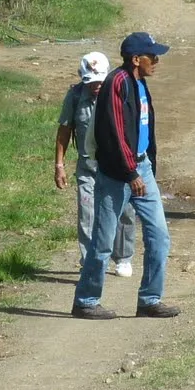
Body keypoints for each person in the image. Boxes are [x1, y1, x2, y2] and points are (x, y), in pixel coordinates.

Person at [72, 32, 181, 320]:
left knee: (159, 235)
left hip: (141, 167)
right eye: (152, 56)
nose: (156, 61)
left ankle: (149, 299)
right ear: (136, 59)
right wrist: (130, 171)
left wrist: (146, 167)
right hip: (117, 173)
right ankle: (85, 300)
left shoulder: (140, 83)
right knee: (104, 240)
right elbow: (116, 132)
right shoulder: (117, 83)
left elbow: (144, 128)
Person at [55, 52, 137, 277]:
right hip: (88, 169)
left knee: (123, 212)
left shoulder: (122, 91)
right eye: (91, 83)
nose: (96, 87)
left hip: (117, 167)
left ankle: (123, 257)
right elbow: (64, 131)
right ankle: (90, 264)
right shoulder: (74, 97)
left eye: (100, 81)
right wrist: (59, 165)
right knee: (87, 216)